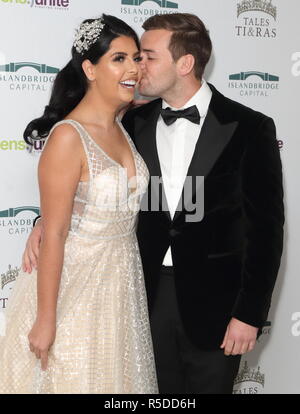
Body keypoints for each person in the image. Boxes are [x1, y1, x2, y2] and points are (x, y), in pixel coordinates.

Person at [22, 13, 284, 394]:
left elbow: (265, 231)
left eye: (147, 56)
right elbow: (84, 182)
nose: (137, 66)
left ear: (185, 63)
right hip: (138, 299)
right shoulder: (131, 123)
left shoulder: (250, 127)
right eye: (131, 57)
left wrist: (249, 314)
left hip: (216, 308)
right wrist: (43, 223)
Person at [0, 14, 158, 394]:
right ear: (89, 68)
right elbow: (54, 232)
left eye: (136, 58)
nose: (133, 69)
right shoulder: (69, 137)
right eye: (118, 59)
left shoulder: (123, 122)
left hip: (120, 286)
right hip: (75, 288)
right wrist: (45, 318)